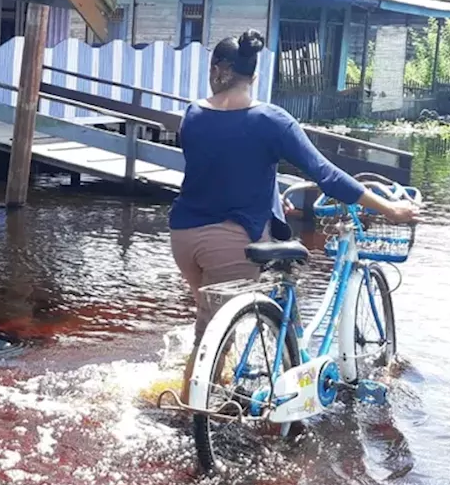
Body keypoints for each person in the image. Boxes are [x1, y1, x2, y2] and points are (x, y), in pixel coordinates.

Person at [170, 29, 419, 348]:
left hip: (184, 238)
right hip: (229, 240)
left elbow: (222, 166)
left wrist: (274, 204)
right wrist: (389, 209)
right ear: (255, 75)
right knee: (212, 340)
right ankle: (204, 394)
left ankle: (233, 376)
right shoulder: (271, 120)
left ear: (216, 71)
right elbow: (325, 174)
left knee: (211, 321)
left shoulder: (192, 115)